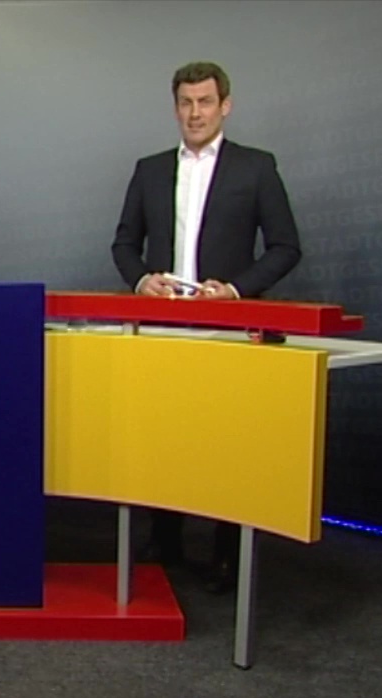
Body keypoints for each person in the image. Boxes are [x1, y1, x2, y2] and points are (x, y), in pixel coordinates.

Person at [110, 61, 302, 594]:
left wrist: (236, 291)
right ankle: (164, 542)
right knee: (162, 437)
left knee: (227, 443)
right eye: (186, 103)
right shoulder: (150, 169)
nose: (195, 113)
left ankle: (226, 553)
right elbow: (124, 243)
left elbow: (286, 246)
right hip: (163, 331)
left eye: (205, 102)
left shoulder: (256, 167)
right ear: (175, 108)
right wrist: (142, 280)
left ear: (225, 106)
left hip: (229, 331)